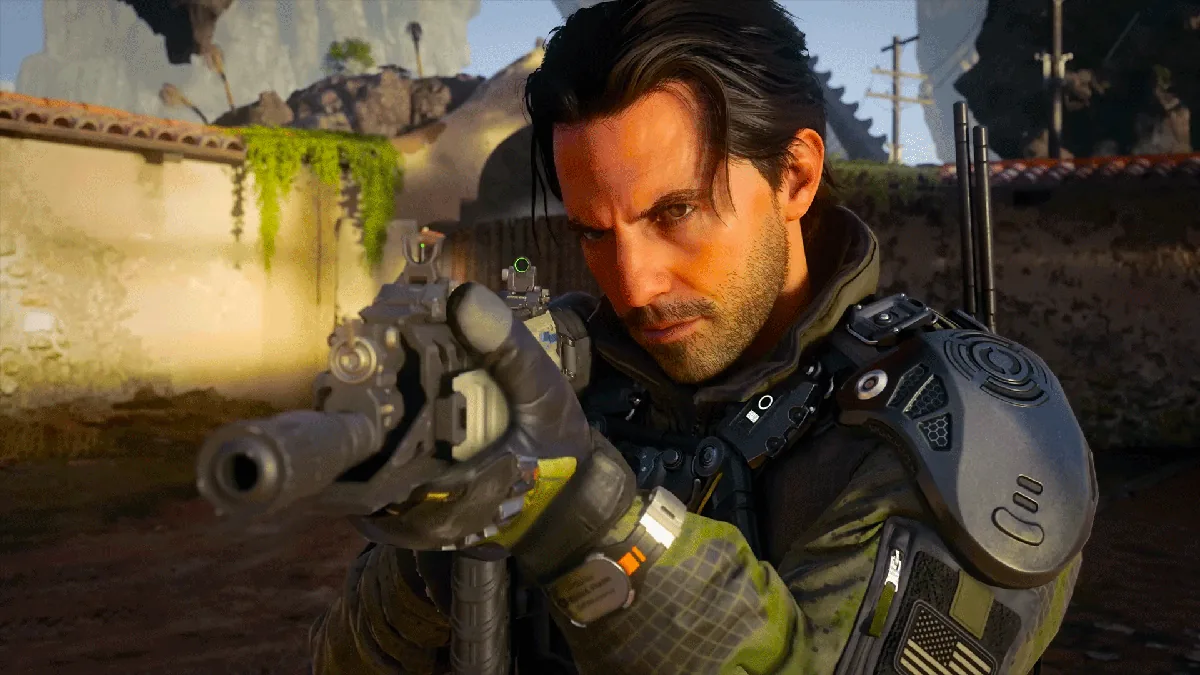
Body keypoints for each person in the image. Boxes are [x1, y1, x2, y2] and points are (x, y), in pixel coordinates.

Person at [309, 1, 1095, 673]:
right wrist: (430, 550)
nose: (633, 284)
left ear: (795, 176)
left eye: (674, 212)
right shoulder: (570, 368)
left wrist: (588, 514)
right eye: (593, 232)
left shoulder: (950, 426)